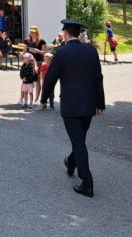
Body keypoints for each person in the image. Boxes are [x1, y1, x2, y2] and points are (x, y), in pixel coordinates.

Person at [42, 19, 105, 198]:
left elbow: (51, 77)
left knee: (78, 141)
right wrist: (100, 103)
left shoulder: (61, 52)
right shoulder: (91, 51)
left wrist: (44, 97)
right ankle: (71, 162)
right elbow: (98, 78)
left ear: (66, 34)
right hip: (89, 104)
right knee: (79, 140)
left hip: (70, 104)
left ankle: (87, 182)